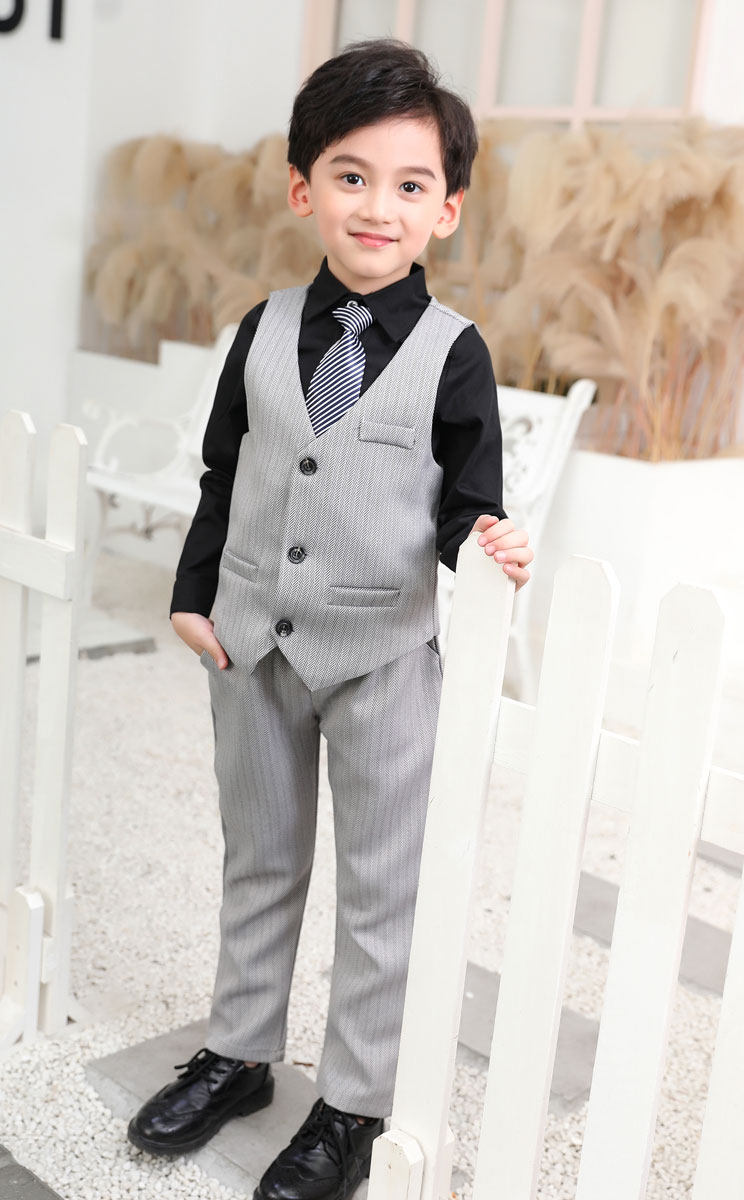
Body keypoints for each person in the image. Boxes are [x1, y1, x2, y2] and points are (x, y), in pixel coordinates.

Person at [127, 38, 533, 1200]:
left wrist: (486, 539)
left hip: (382, 660)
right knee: (256, 858)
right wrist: (193, 596)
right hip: (252, 641)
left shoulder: (453, 356)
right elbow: (224, 472)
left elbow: (464, 501)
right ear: (302, 188)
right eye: (350, 176)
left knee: (379, 890)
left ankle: (352, 1102)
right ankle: (239, 1051)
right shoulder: (259, 330)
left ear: (445, 211)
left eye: (409, 185)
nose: (376, 207)